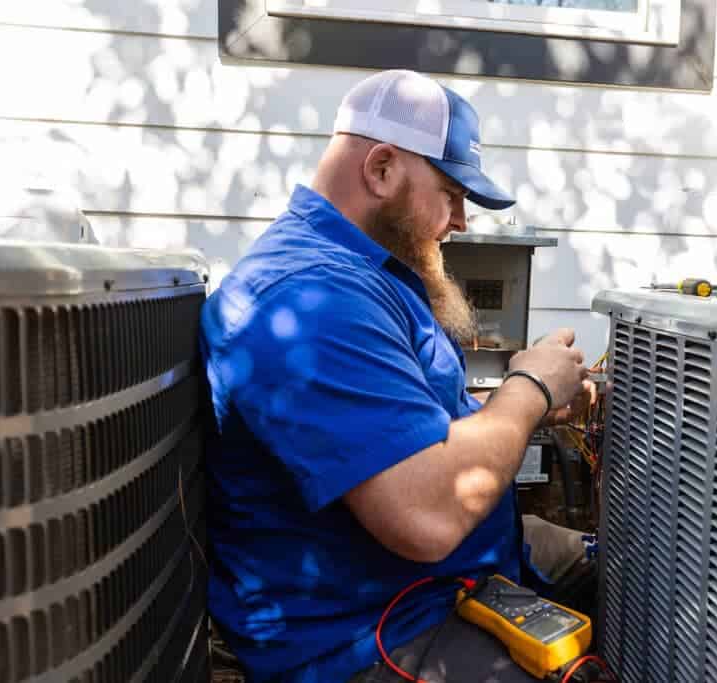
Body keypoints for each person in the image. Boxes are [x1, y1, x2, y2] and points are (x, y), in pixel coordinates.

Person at [200, 69, 597, 683]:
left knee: (629, 567)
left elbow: (415, 417)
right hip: (373, 631)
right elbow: (427, 516)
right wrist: (530, 389)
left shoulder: (363, 274)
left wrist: (531, 402)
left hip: (442, 573)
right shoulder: (308, 299)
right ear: (382, 168)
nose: (461, 219)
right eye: (452, 192)